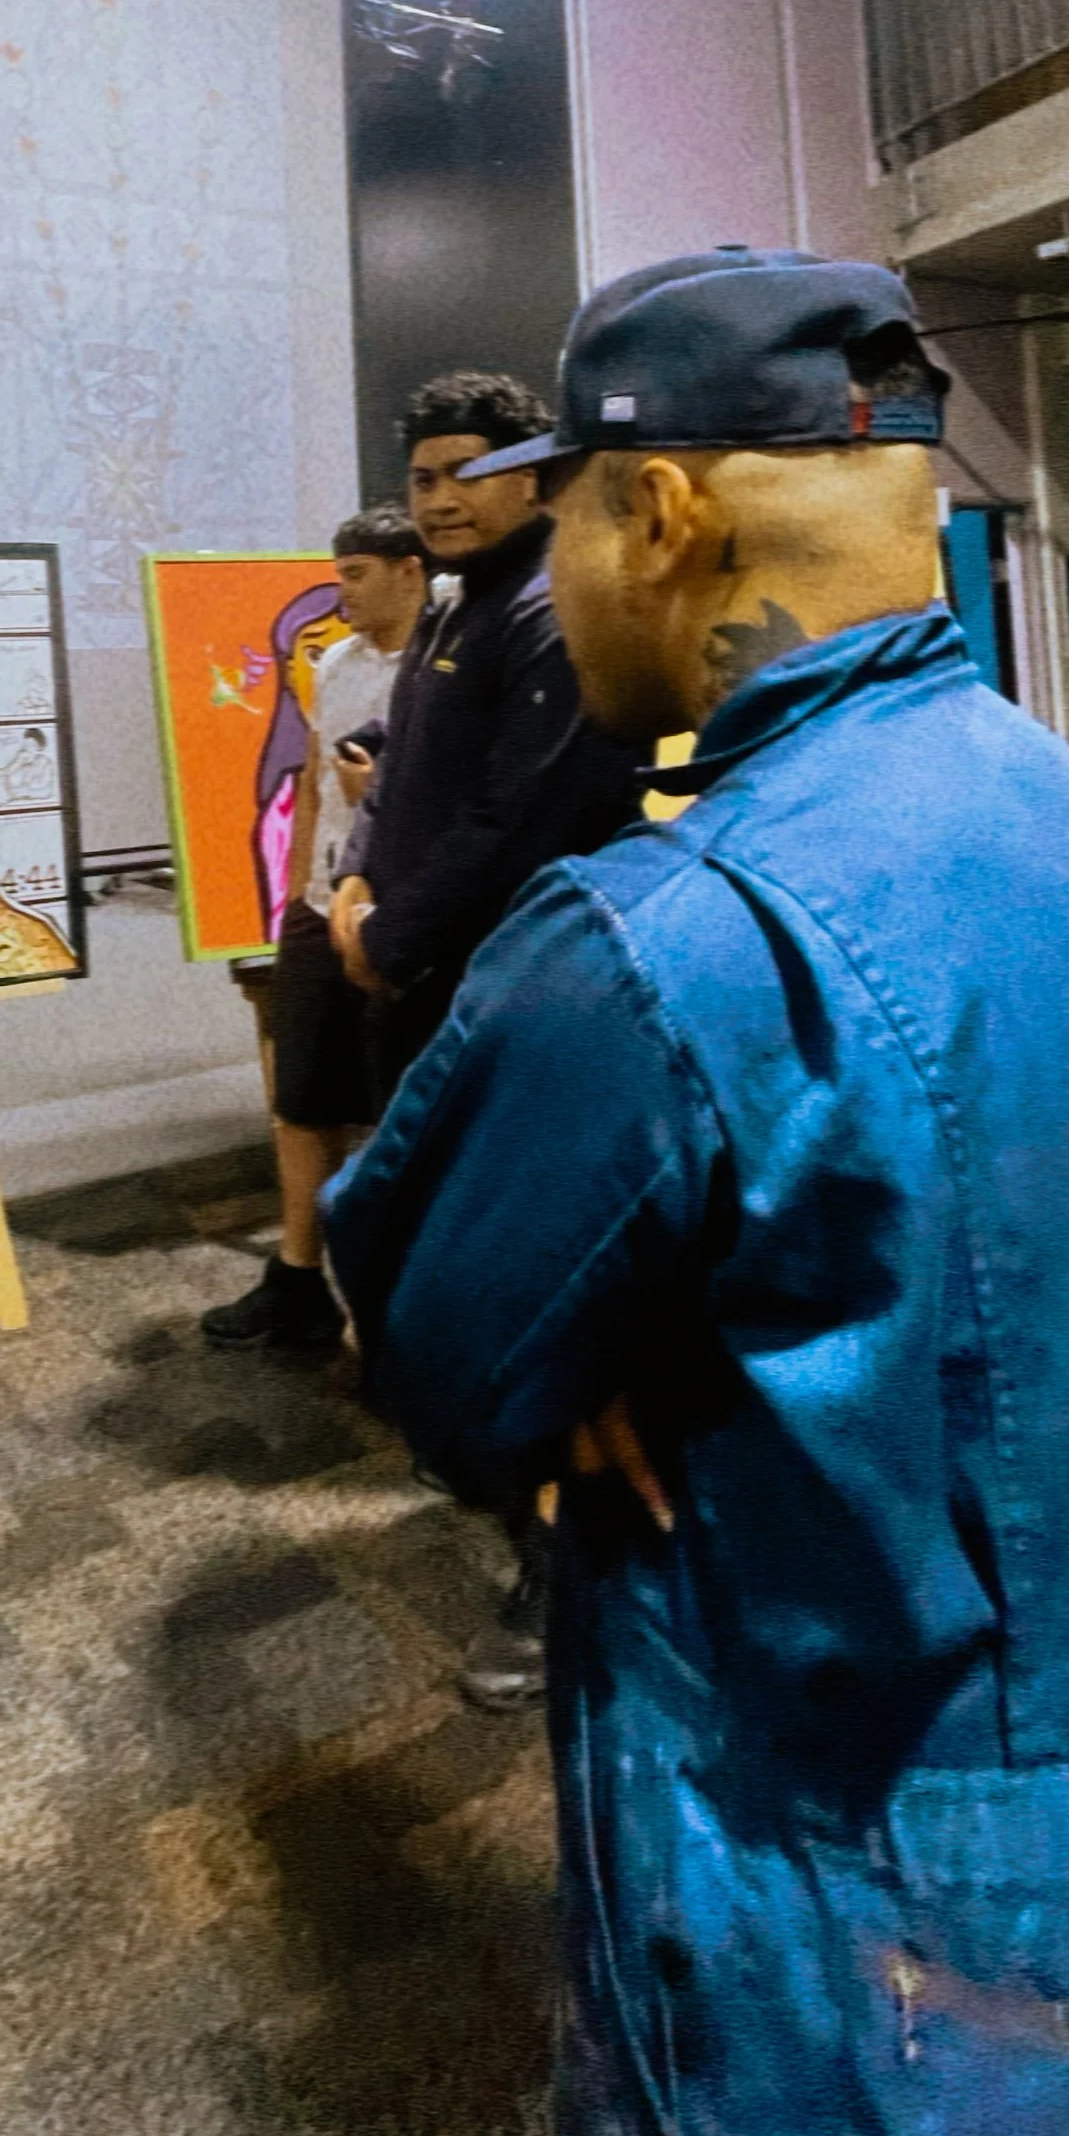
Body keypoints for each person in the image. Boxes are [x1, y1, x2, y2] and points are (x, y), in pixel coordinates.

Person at [326, 248, 1069, 2136]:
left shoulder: (671, 928)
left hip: (851, 1924)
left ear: (658, 513)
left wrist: (586, 1351)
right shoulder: (1048, 789)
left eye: (569, 512)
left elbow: (438, 1347)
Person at [330, 373, 644, 1711]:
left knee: (549, 1290)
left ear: (534, 473)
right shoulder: (462, 609)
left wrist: (389, 933)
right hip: (439, 986)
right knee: (472, 1269)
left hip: (520, 995)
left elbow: (523, 820)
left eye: (469, 470)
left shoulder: (550, 606)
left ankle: (566, 1583)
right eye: (423, 480)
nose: (441, 498)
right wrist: (362, 892)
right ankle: (523, 1506)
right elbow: (421, 789)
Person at [202, 506, 427, 1351]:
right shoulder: (332, 661)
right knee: (300, 1098)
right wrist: (291, 891)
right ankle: (297, 1281)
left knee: (402, 1106)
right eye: (338, 574)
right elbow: (309, 773)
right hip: (317, 904)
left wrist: (387, 806)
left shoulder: (448, 667)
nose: (342, 591)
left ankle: (399, 1302)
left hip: (399, 906)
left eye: (357, 574)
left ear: (410, 571)